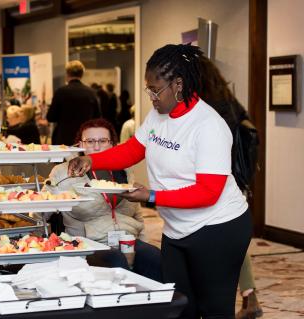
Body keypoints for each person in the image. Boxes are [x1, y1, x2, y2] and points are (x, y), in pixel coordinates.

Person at [68, 44, 251, 319]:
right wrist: (94, 160)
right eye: (148, 89)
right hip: (177, 228)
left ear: (179, 84)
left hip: (218, 228)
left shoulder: (208, 126)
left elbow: (208, 192)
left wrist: (151, 196)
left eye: (156, 89)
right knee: (179, 306)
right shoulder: (158, 115)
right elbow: (133, 149)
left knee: (213, 309)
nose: (151, 96)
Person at [46, 118, 162, 281]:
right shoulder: (63, 172)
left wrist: (143, 241)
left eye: (102, 141)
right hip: (88, 242)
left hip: (126, 238)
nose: (96, 146)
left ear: (113, 144)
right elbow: (43, 208)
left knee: (156, 258)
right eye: (90, 141)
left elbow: (136, 214)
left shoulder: (125, 169)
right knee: (116, 261)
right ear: (80, 145)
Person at [198, 56, 263, 319]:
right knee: (231, 241)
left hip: (216, 179)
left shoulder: (206, 108)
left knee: (214, 240)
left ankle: (244, 297)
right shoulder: (230, 101)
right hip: (235, 178)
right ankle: (249, 296)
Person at [47, 60, 100, 145]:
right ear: (82, 74)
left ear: (67, 74)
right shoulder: (91, 93)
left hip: (63, 138)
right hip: (84, 138)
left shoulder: (60, 92)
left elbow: (51, 117)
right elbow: (97, 117)